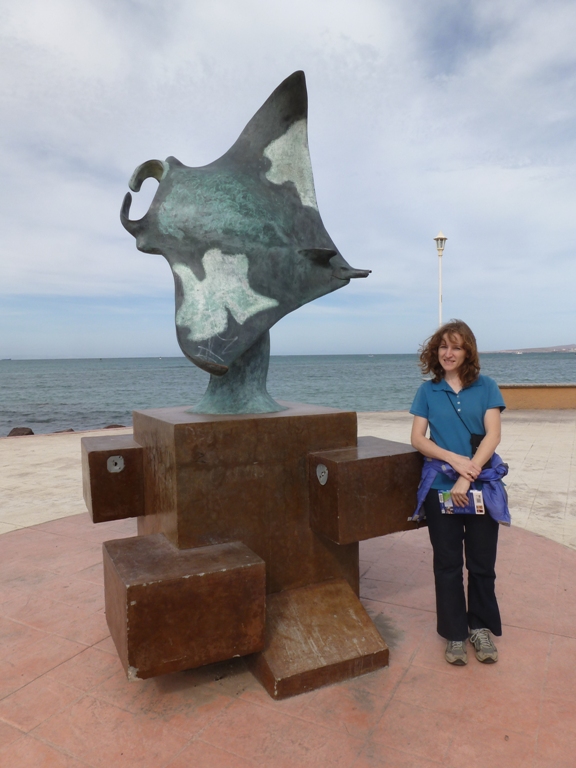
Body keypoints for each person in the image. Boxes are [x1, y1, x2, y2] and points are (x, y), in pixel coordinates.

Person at [410, 320, 506, 666]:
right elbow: (418, 439)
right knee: (447, 564)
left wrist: (467, 477)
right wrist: (452, 459)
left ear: (468, 352)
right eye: (443, 347)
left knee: (481, 563)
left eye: (456, 347)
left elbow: (492, 436)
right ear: (436, 352)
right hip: (440, 488)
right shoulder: (427, 391)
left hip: (479, 487)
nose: (448, 353)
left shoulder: (487, 387)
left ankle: (480, 628)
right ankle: (454, 633)